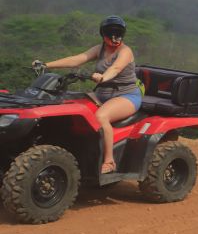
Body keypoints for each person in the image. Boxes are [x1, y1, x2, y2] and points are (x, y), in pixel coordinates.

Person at [36, 16, 141, 174]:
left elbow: (116, 68)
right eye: (110, 37)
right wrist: (46, 65)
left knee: (101, 116)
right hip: (101, 94)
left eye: (117, 37)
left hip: (126, 95)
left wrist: (103, 77)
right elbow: (77, 59)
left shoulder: (126, 51)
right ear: (104, 36)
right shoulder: (100, 49)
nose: (114, 41)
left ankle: (109, 161)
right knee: (68, 104)